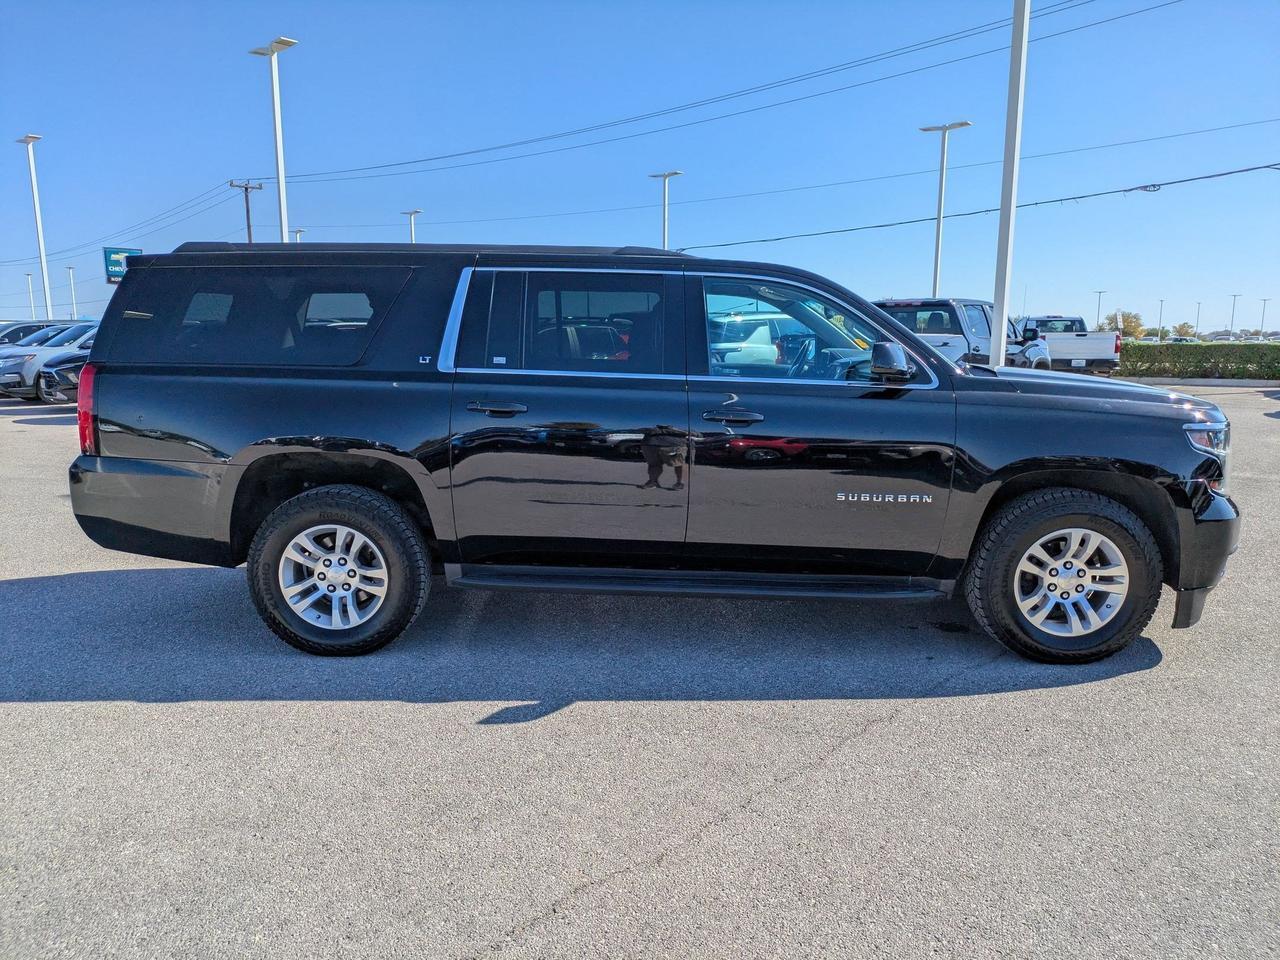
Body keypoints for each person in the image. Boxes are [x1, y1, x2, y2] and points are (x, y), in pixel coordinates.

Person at [639, 425, 687, 490]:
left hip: (652, 444)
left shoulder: (652, 429)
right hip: (654, 444)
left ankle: (653, 482)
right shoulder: (678, 430)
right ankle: (654, 482)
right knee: (678, 463)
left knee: (655, 464)